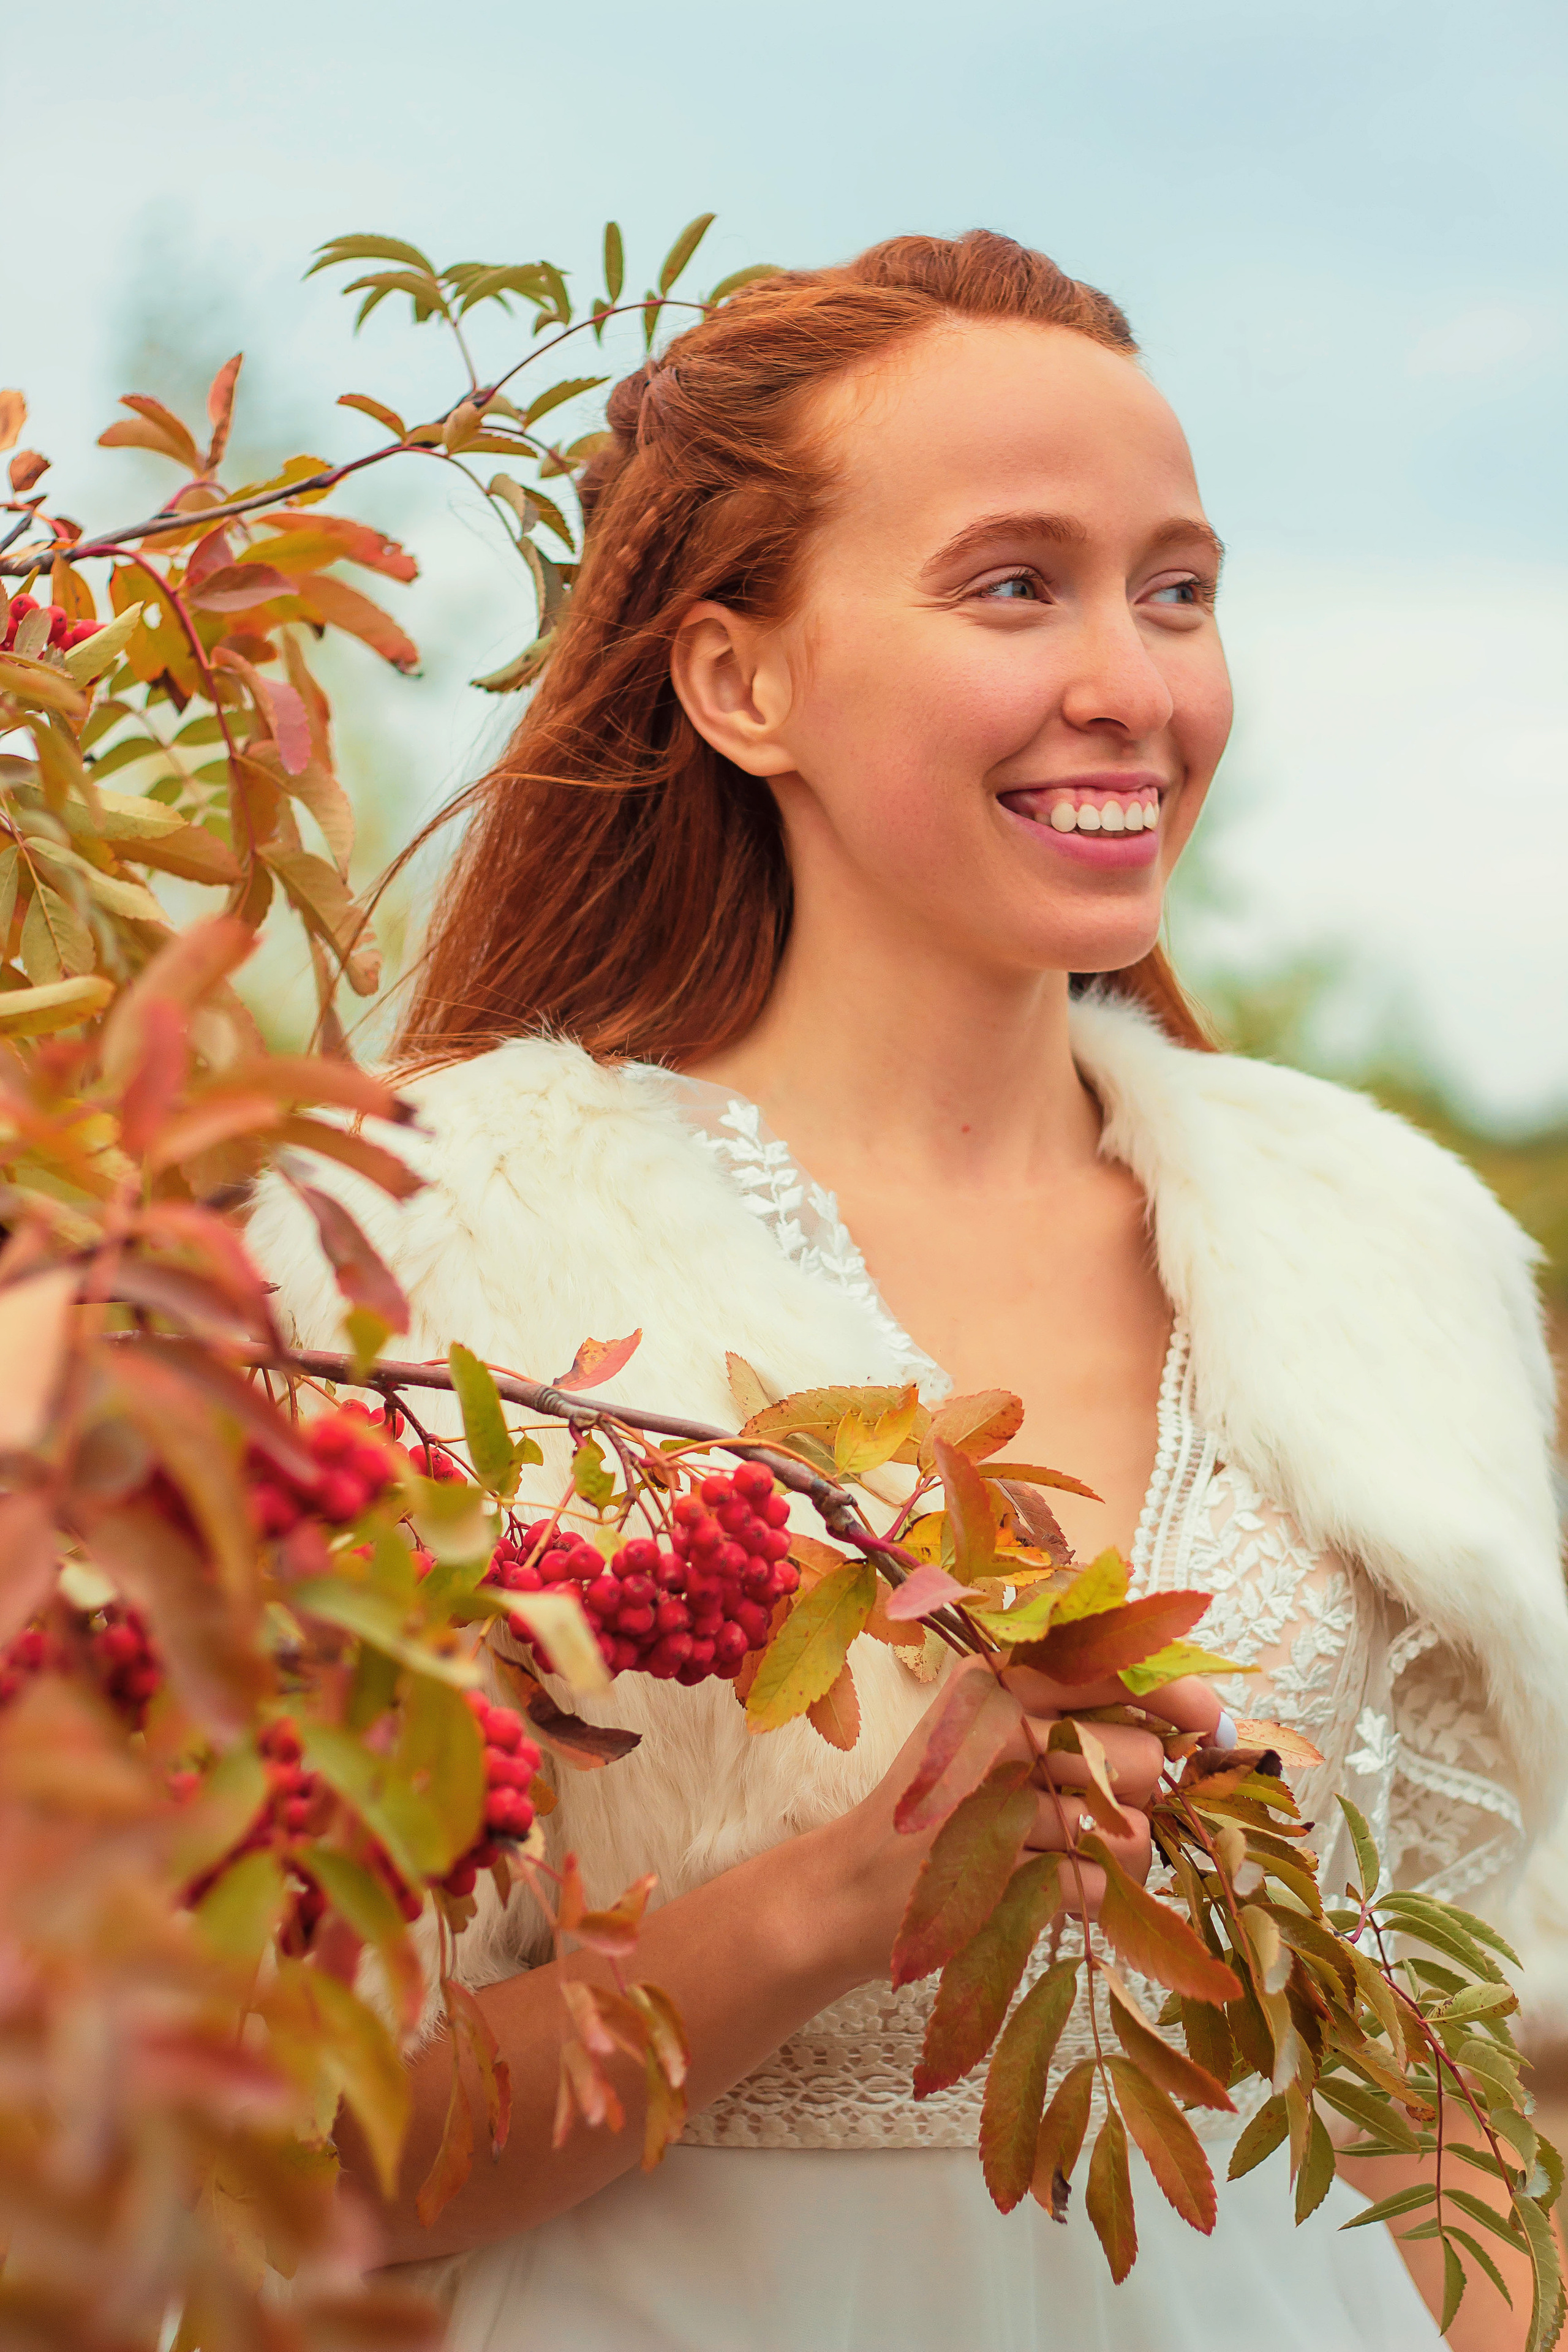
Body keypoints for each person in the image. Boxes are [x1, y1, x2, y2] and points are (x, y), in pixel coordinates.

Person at [251, 231, 1568, 2351]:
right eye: (1014, 584)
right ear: (736, 680)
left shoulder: (1384, 1255)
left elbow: (1428, 2095)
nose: (1136, 680)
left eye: (1179, 587)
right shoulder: (428, 1253)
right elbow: (303, 2169)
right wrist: (820, 1915)